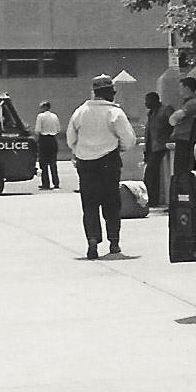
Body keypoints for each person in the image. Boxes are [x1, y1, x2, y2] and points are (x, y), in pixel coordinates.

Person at [67, 74, 136, 259]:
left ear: (94, 92)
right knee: (111, 203)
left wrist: (82, 150)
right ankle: (114, 242)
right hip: (108, 161)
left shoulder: (80, 112)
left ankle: (92, 240)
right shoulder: (114, 113)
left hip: (85, 163)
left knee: (89, 204)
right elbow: (128, 139)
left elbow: (70, 139)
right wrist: (118, 149)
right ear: (109, 93)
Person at [142, 91, 174, 207]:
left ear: (154, 100)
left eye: (147, 100)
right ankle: (152, 200)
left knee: (150, 174)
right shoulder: (151, 114)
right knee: (152, 175)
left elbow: (174, 124)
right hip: (153, 148)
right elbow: (149, 134)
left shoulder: (165, 110)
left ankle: (151, 200)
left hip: (162, 146)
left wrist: (171, 140)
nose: (145, 103)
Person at [171, 76, 196, 178]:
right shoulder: (187, 103)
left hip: (186, 140)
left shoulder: (192, 103)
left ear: (187, 88)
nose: (179, 90)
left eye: (181, 87)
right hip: (183, 139)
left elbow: (174, 118)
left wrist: (175, 119)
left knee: (182, 170)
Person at [34, 100, 61, 190]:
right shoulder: (54, 116)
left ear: (45, 107)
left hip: (44, 140)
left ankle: (46, 183)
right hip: (53, 139)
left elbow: (37, 130)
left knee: (43, 163)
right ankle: (56, 182)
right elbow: (58, 129)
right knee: (53, 162)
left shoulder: (40, 116)